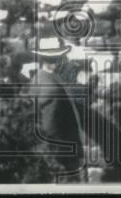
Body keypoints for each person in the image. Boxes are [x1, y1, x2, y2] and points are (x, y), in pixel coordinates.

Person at [31, 36, 85, 182]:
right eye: (61, 57)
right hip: (62, 157)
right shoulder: (52, 89)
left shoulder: (40, 78)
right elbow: (51, 128)